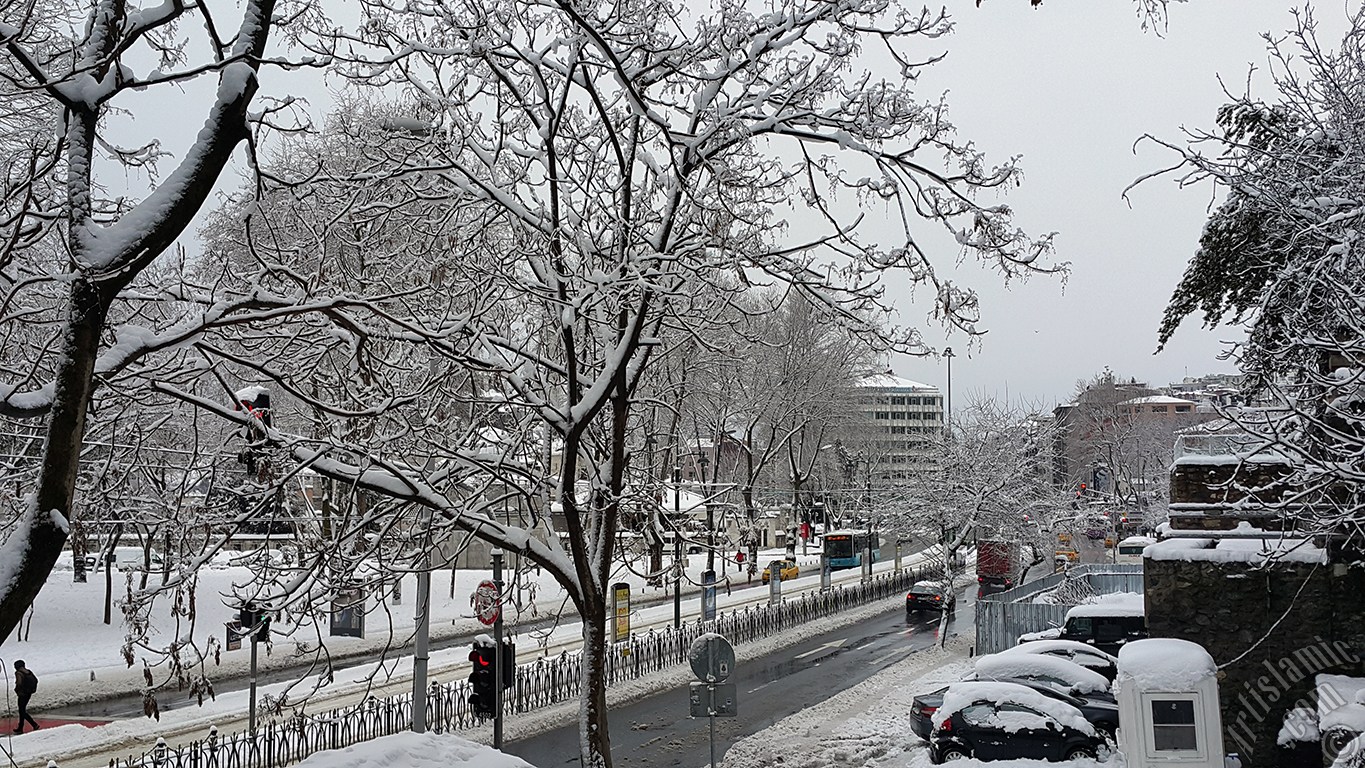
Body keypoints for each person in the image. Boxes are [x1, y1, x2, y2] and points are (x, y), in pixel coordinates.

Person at [12, 660, 37, 733]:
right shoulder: (28, 672)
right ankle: (20, 727)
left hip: (22, 694)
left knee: (22, 711)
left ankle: (34, 724)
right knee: (22, 710)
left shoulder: (18, 673)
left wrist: (17, 690)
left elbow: (19, 683)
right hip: (28, 693)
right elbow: (36, 680)